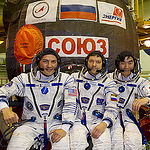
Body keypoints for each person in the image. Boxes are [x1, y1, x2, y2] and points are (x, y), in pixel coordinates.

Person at [0, 48, 77, 150]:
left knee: (63, 145)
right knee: (15, 146)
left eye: (53, 62)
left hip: (56, 124)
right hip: (31, 124)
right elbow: (2, 91)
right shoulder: (24, 79)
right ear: (38, 62)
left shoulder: (66, 79)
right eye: (45, 61)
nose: (49, 66)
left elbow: (71, 104)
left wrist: (65, 128)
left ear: (57, 64)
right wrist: (4, 108)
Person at [70, 51, 119, 150]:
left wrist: (105, 123)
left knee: (104, 145)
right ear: (86, 62)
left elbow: (112, 107)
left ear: (103, 64)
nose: (94, 65)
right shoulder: (74, 78)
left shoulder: (109, 83)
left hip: (98, 122)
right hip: (77, 121)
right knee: (76, 145)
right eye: (91, 61)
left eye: (98, 62)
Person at [108, 50, 150, 150]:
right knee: (116, 143)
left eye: (130, 63)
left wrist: (145, 100)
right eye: (123, 63)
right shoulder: (109, 79)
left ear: (134, 64)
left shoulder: (140, 82)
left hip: (131, 118)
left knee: (133, 142)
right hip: (112, 118)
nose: (126, 66)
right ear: (118, 64)